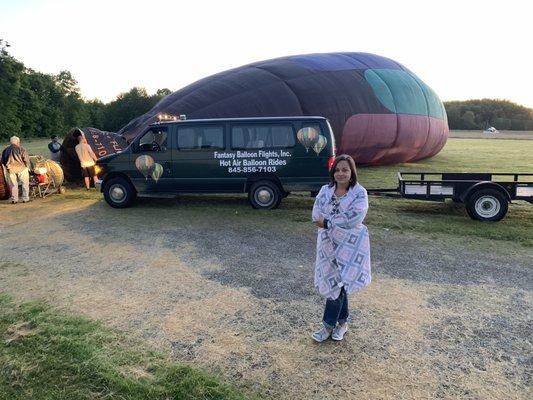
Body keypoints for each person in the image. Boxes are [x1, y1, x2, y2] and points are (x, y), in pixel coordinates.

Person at [311, 154, 371, 342]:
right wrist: (331, 223)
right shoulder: (325, 191)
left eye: (345, 169)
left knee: (338, 282)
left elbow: (355, 217)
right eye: (337, 170)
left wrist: (328, 223)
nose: (340, 173)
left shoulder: (359, 193)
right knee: (336, 281)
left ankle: (328, 325)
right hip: (328, 246)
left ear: (352, 172)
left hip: (350, 246)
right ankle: (343, 322)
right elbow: (315, 215)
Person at [1, 136, 31, 204]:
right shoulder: (21, 149)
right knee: (25, 183)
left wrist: (7, 166)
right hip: (21, 168)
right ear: (18, 142)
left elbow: (2, 161)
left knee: (13, 185)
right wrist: (28, 167)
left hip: (10, 169)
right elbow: (26, 159)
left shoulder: (5, 150)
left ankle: (14, 199)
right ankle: (25, 198)